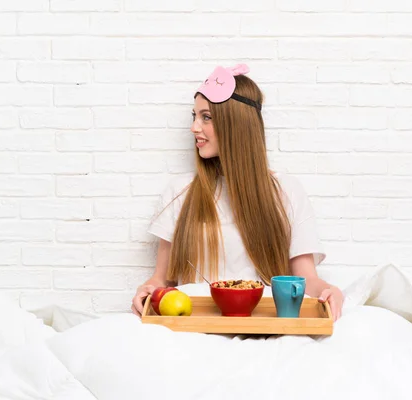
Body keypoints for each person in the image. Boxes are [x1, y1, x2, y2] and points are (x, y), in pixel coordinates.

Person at [131, 64, 343, 321]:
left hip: (263, 326)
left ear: (236, 124)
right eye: (194, 116)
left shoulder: (286, 191)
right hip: (195, 326)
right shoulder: (180, 192)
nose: (194, 128)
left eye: (206, 117)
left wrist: (330, 291)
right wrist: (149, 290)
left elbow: (306, 280)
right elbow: (161, 278)